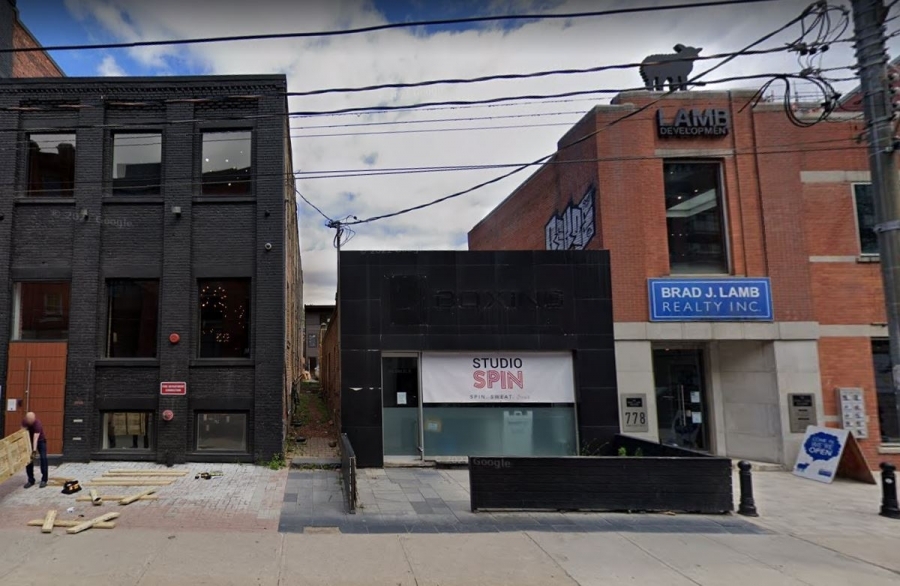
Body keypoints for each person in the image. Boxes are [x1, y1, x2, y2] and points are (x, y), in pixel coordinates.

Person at [22, 412, 48, 488]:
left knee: (43, 458)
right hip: (29, 441)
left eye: (31, 419)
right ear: (27, 419)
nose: (30, 421)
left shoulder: (37, 424)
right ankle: (31, 480)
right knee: (29, 460)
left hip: (40, 441)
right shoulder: (24, 422)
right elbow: (22, 433)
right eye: (29, 419)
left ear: (34, 418)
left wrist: (34, 451)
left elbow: (35, 438)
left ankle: (44, 480)